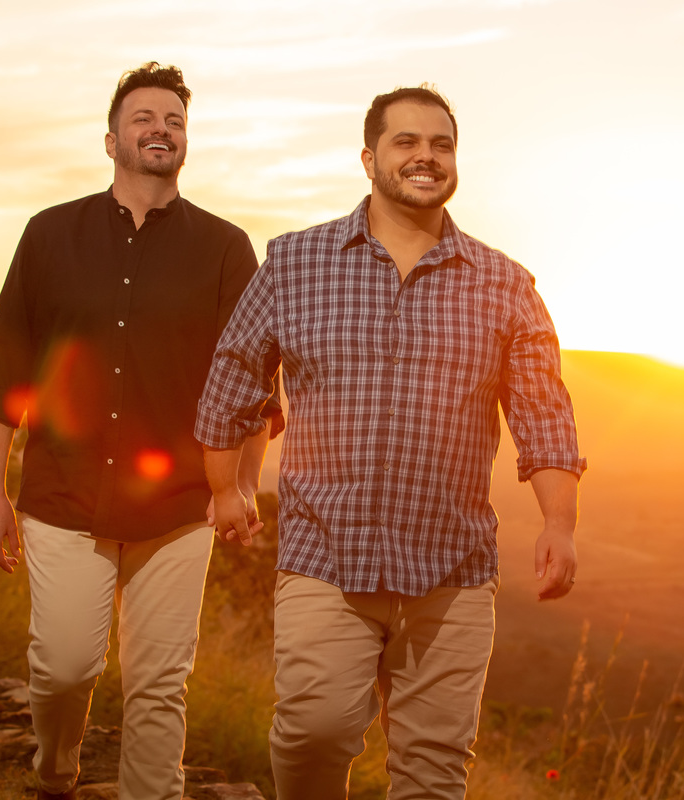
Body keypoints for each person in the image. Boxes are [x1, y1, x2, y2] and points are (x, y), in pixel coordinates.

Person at [195, 85, 586, 799]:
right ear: (369, 157)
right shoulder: (296, 262)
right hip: (324, 557)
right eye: (406, 141)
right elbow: (233, 376)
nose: (425, 156)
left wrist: (558, 522)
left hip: (451, 570)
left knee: (432, 771)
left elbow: (544, 414)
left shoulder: (504, 284)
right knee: (312, 733)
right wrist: (227, 489)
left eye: (441, 144)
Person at [0, 62, 280, 800]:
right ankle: (56, 771)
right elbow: (5, 371)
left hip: (178, 506)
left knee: (159, 683)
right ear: (111, 140)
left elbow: (252, 386)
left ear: (186, 142)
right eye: (144, 118)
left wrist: (239, 485)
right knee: (64, 667)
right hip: (62, 497)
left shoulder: (226, 248)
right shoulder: (49, 235)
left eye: (174, 120)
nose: (160, 129)